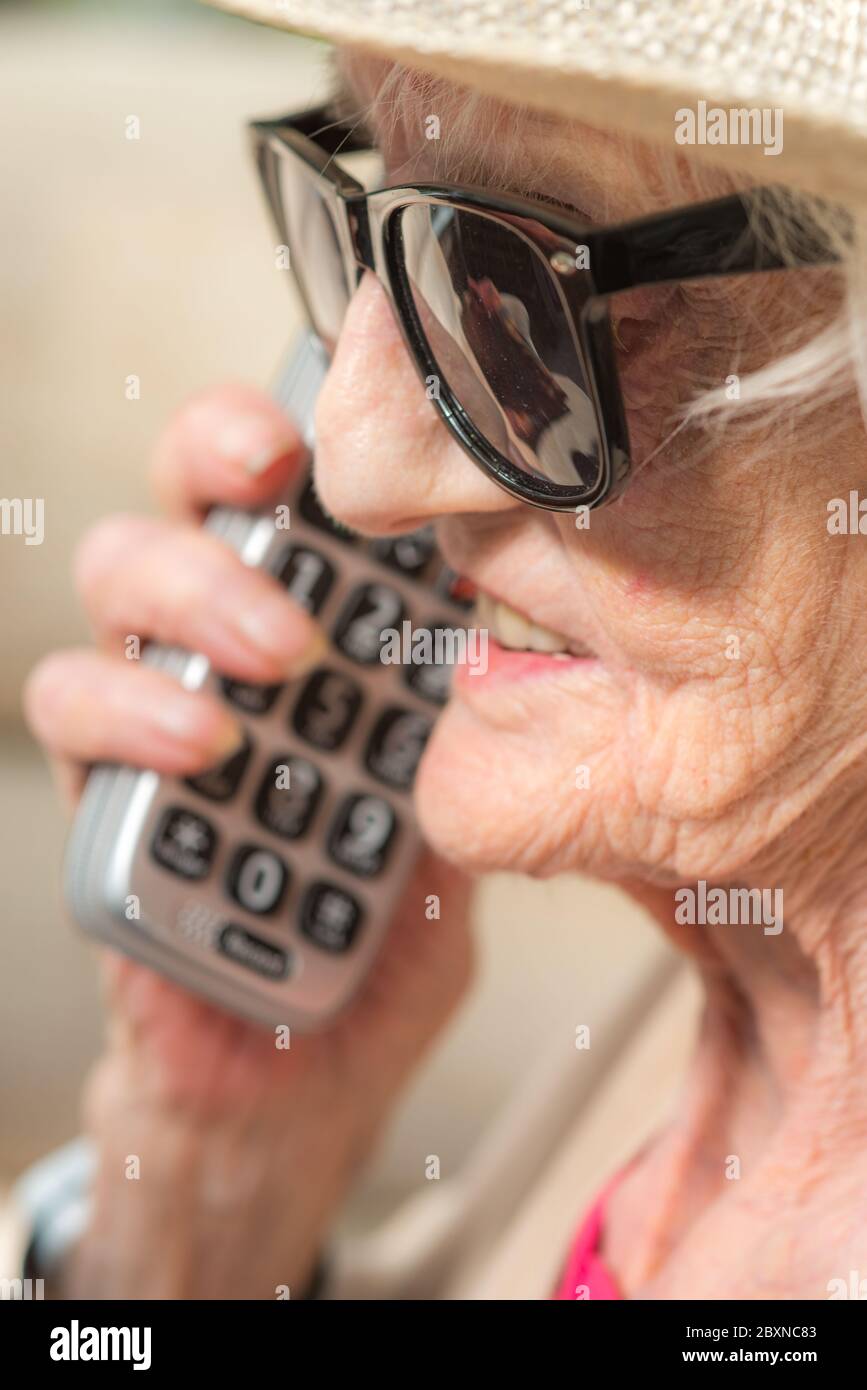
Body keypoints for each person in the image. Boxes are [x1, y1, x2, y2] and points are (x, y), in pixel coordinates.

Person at [18, 0, 867, 1298]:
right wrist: (210, 1187)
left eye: (516, 290)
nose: (353, 463)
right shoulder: (744, 988)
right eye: (375, 218)